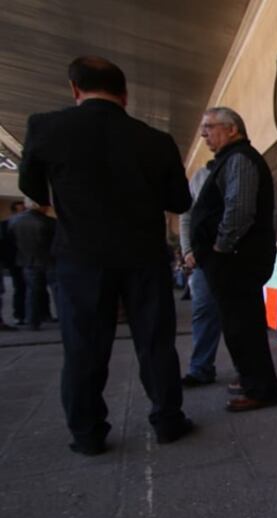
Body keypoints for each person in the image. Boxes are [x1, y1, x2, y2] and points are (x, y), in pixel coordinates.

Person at [18, 55, 194, 455]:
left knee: (83, 346)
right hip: (143, 255)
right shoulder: (155, 140)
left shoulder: (46, 127)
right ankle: (168, 420)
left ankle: (88, 432)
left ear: (75, 89)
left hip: (81, 255)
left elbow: (32, 187)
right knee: (155, 342)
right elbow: (179, 201)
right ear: (125, 94)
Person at [189, 107, 277, 412]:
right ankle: (251, 379)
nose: (204, 134)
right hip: (232, 260)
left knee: (243, 326)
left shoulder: (239, 159)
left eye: (210, 127)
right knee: (238, 324)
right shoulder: (230, 160)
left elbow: (239, 209)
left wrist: (220, 247)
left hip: (235, 260)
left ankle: (260, 389)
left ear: (232, 129)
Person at [177, 165, 219, 387]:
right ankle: (201, 368)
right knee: (203, 310)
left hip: (236, 255)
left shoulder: (242, 166)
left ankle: (248, 371)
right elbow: (186, 215)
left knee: (240, 314)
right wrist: (187, 250)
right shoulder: (200, 176)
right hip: (205, 256)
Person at [9, 198, 56, 329]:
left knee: (32, 292)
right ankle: (61, 318)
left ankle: (33, 320)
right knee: (57, 290)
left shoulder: (14, 221)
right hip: (48, 260)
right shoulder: (49, 222)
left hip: (27, 260)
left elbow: (11, 241)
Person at [1, 201, 28, 325]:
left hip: (27, 258)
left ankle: (35, 314)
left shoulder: (26, 223)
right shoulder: (5, 225)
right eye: (20, 210)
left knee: (31, 288)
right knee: (20, 287)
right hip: (15, 261)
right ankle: (20, 315)